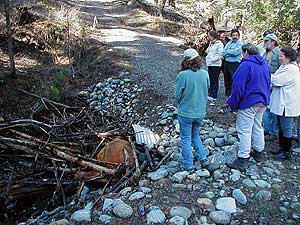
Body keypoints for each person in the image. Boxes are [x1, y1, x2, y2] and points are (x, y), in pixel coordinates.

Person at [226, 43, 271, 170]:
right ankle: (258, 152)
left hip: (249, 102)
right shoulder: (264, 65)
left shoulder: (246, 65)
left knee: (244, 130)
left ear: (245, 52)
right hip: (263, 101)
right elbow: (269, 83)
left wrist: (233, 104)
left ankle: (243, 158)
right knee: (257, 126)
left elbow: (238, 87)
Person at [175, 48, 210, 171]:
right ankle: (203, 158)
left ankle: (188, 164)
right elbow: (208, 88)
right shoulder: (205, 74)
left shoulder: (182, 75)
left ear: (186, 61)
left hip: (186, 112)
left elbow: (177, 95)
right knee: (195, 135)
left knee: (185, 138)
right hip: (200, 112)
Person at [268, 46, 300, 160]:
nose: (280, 58)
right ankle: (281, 147)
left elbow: (276, 81)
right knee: (281, 126)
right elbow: (275, 77)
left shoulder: (291, 69)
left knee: (287, 128)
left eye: (281, 56)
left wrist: (270, 77)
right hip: (282, 102)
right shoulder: (284, 66)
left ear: (288, 57)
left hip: (288, 103)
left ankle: (287, 152)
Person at [262, 33, 281, 137]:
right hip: (265, 84)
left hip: (274, 85)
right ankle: (267, 129)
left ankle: (274, 131)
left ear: (273, 42)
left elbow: (281, 70)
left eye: (266, 41)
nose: (264, 43)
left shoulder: (279, 53)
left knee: (273, 108)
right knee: (266, 107)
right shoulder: (265, 52)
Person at [223, 29, 243, 96]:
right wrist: (230, 52)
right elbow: (223, 52)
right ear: (231, 36)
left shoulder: (240, 44)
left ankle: (233, 96)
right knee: (226, 80)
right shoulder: (229, 43)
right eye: (233, 35)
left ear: (238, 36)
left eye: (236, 35)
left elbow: (235, 53)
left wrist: (228, 51)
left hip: (235, 64)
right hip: (226, 64)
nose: (235, 37)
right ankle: (228, 96)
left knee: (233, 80)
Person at [205, 30, 224, 100]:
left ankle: (214, 95)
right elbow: (208, 51)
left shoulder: (219, 44)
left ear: (213, 36)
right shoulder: (211, 43)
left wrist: (212, 60)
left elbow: (220, 54)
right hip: (210, 64)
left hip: (216, 64)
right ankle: (210, 93)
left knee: (214, 79)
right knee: (210, 78)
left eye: (209, 36)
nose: (208, 37)